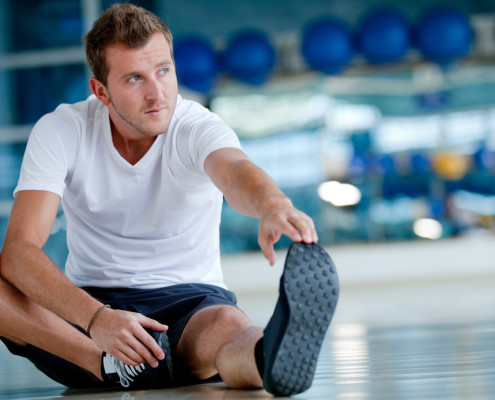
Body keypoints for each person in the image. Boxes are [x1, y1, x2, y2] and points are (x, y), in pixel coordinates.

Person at [0, 3, 339, 396]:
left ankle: (268, 356)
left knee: (229, 328)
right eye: (134, 79)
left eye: (163, 70)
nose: (156, 93)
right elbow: (20, 251)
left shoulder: (196, 125)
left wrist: (273, 204)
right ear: (101, 91)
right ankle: (107, 365)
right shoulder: (62, 129)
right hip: (90, 310)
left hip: (189, 302)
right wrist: (97, 320)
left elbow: (233, 171)